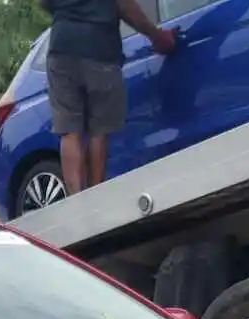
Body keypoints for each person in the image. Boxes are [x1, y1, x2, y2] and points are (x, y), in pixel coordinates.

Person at [39, 0, 178, 196]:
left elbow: (44, 3)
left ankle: (76, 201)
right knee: (99, 131)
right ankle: (95, 196)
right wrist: (156, 36)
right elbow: (126, 5)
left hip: (61, 50)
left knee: (69, 131)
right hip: (99, 49)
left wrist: (69, 11)